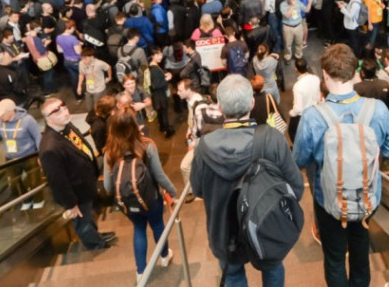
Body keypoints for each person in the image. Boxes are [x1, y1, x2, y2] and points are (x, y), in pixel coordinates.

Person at [294, 44, 389, 287]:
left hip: (328, 199)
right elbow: (388, 151)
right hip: (368, 195)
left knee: (335, 257)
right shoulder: (378, 109)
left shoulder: (312, 116)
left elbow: (299, 159)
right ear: (355, 74)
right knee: (361, 251)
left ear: (325, 75)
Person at [191, 75, 303, 287]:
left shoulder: (204, 147)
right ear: (252, 103)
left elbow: (197, 189)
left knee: (232, 275)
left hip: (224, 232)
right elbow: (296, 187)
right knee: (273, 268)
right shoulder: (272, 139)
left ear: (220, 108)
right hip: (267, 225)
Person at [104, 108, 177, 281]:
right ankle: (165, 256)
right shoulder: (146, 146)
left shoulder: (109, 152)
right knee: (158, 225)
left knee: (139, 229)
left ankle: (141, 272)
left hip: (128, 203)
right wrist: (173, 191)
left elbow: (108, 186)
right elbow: (159, 176)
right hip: (151, 199)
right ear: (135, 126)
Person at [39, 97, 115, 250]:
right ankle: (95, 244)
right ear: (48, 119)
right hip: (76, 194)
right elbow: (57, 181)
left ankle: (96, 235)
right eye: (56, 111)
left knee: (88, 215)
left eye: (63, 106)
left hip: (85, 184)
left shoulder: (66, 126)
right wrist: (71, 204)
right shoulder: (50, 148)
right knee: (82, 220)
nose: (64, 111)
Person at [77, 48, 112, 112]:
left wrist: (109, 77)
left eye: (86, 58)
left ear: (91, 57)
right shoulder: (81, 63)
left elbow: (108, 67)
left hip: (99, 88)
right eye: (82, 58)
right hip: (89, 87)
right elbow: (81, 74)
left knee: (98, 105)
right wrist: (79, 86)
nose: (83, 60)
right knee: (89, 106)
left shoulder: (99, 63)